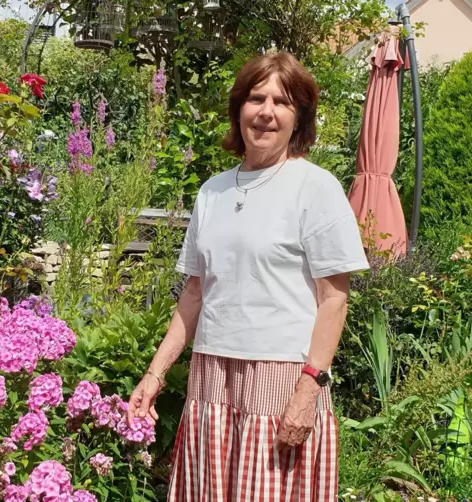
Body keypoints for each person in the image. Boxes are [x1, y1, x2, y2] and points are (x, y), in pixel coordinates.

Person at [127, 52, 369, 501]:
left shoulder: (314, 188)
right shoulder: (212, 192)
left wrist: (309, 387)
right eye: (256, 98)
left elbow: (333, 298)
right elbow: (195, 292)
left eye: (282, 102)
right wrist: (155, 375)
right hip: (212, 376)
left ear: (299, 119)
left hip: (281, 379)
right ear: (239, 108)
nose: (266, 111)